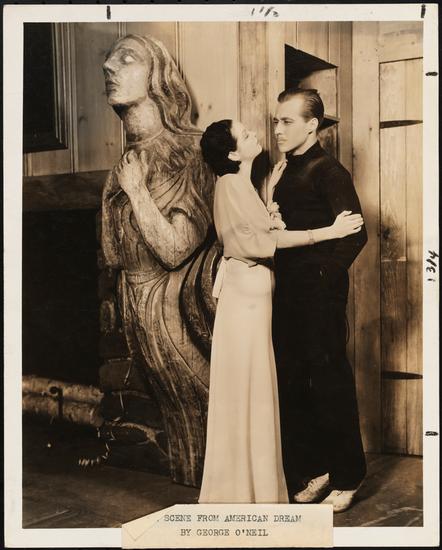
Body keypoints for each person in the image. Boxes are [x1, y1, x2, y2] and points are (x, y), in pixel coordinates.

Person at [198, 119, 364, 503]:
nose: (257, 133)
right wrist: (328, 232)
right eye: (245, 134)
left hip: (257, 300)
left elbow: (260, 228)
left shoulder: (243, 184)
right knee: (248, 387)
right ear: (233, 153)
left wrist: (269, 200)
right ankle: (244, 489)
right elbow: (258, 242)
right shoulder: (228, 185)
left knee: (259, 386)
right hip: (244, 300)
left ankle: (259, 483)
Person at [101, 34, 216, 486]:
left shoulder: (192, 150)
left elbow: (174, 250)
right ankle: (195, 486)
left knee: (203, 401)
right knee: (179, 420)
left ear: (158, 76)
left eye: (126, 59)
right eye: (109, 60)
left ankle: (219, 487)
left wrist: (136, 192)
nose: (109, 67)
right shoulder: (124, 163)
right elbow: (114, 254)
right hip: (135, 304)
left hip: (173, 304)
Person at [270, 88, 368, 512]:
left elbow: (356, 235)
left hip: (318, 299)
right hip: (284, 296)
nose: (278, 129)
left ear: (312, 125)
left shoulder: (330, 171)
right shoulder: (283, 171)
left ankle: (348, 477)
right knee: (291, 385)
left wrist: (322, 279)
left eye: (287, 121)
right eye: (276, 121)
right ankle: (317, 471)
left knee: (330, 385)